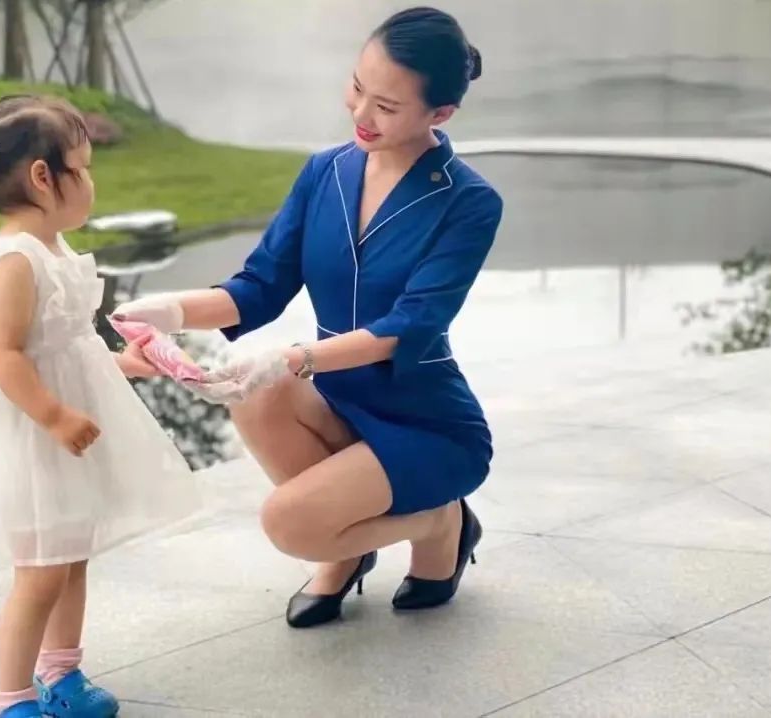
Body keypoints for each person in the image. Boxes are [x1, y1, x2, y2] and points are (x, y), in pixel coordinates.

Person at [114, 7, 502, 629]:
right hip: (341, 403)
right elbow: (259, 286)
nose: (361, 114)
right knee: (256, 394)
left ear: (440, 114)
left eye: (386, 106)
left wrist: (297, 358)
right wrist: (169, 310)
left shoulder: (469, 201)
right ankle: (347, 553)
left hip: (427, 420)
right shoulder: (326, 171)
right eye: (357, 87)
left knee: (287, 523)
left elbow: (411, 324)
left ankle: (440, 520)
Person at [0, 95, 201, 718]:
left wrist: (122, 365)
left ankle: (62, 672)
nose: (90, 183)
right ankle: (10, 700)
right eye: (82, 169)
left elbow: (68, 346)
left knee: (70, 557)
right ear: (41, 177)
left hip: (61, 430)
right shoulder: (15, 260)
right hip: (31, 432)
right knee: (39, 571)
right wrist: (54, 415)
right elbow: (3, 353)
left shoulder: (53, 250)